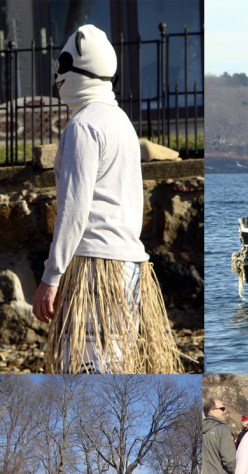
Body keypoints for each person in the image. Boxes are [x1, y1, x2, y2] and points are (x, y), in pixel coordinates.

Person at [31, 21, 177, 371]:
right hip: (126, 267)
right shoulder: (119, 121)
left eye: (62, 65)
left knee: (85, 366)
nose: (57, 74)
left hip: (95, 267)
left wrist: (51, 277)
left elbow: (74, 209)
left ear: (75, 70)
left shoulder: (82, 127)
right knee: (115, 362)